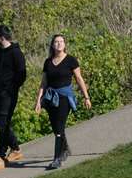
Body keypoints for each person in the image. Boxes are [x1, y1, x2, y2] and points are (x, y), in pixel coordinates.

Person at [35, 34, 91, 170]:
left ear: (65, 44)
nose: (59, 44)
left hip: (65, 97)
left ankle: (57, 158)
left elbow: (79, 79)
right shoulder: (48, 62)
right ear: (52, 45)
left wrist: (86, 97)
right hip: (50, 98)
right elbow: (43, 83)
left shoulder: (71, 60)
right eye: (56, 42)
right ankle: (65, 149)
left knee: (59, 128)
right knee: (56, 128)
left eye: (61, 41)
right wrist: (38, 101)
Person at [0, 24, 27, 171]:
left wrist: (11, 89)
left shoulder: (16, 53)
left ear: (1, 36)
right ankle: (15, 149)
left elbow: (22, 74)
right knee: (0, 123)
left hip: (8, 95)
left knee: (3, 122)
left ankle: (0, 156)